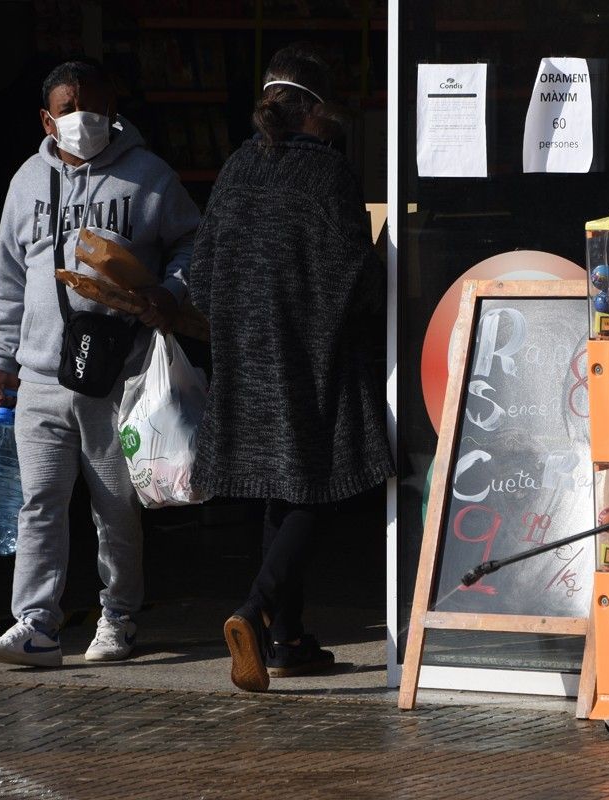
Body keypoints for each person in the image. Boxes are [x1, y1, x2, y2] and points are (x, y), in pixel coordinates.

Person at [0, 60, 201, 667]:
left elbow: (192, 243)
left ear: (115, 107)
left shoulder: (149, 177)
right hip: (42, 374)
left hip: (117, 373)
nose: (84, 120)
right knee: (39, 501)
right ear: (47, 119)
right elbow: (8, 278)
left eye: (95, 105)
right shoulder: (26, 182)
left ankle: (118, 619)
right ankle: (35, 623)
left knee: (115, 503)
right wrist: (2, 357)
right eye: (70, 108)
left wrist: (171, 292)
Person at [187, 44, 395, 692]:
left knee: (285, 487)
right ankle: (256, 610)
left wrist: (236, 319)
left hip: (246, 359)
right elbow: (356, 278)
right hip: (310, 357)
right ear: (314, 109)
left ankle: (287, 640)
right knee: (318, 486)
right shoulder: (327, 175)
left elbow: (199, 277)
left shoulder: (234, 169)